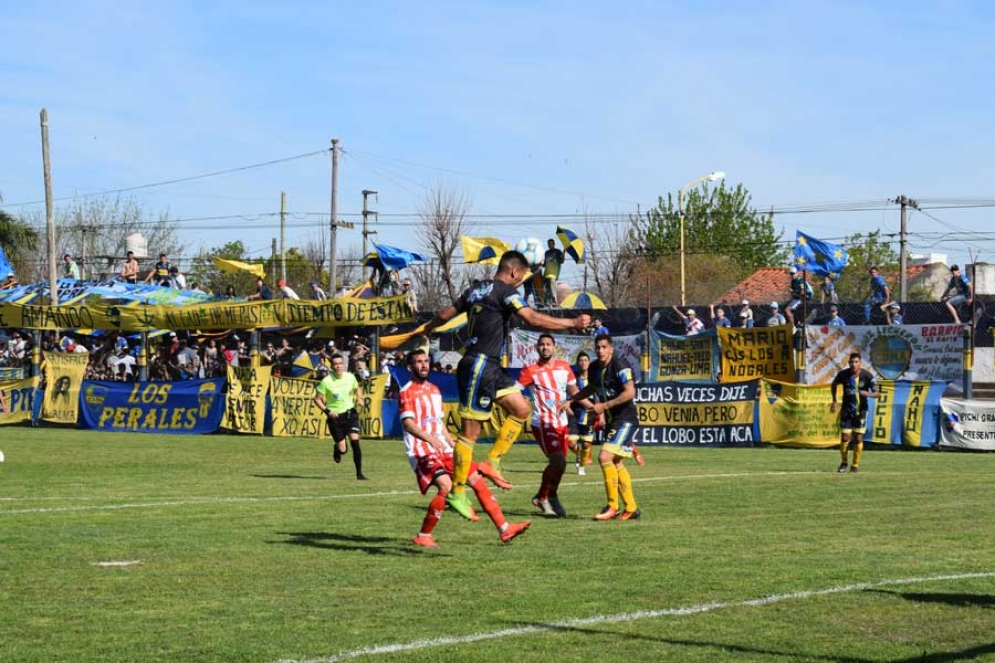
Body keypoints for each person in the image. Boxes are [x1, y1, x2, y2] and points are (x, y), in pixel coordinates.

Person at [421, 250, 591, 520]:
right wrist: (571, 321)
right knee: (470, 435)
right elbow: (532, 318)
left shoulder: (475, 290)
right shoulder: (504, 291)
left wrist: (427, 329)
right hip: (478, 365)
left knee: (522, 409)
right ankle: (458, 491)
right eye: (521, 275)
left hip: (491, 367)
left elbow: (444, 314)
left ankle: (493, 461)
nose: (520, 280)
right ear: (514, 271)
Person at [400, 349, 530, 547]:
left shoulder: (434, 390)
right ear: (410, 367)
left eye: (426, 361)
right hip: (421, 451)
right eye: (418, 362)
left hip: (443, 448)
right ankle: (423, 535)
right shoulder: (406, 391)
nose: (424, 365)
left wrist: (450, 442)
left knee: (477, 479)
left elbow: (438, 422)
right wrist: (429, 440)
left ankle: (505, 529)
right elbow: (408, 424)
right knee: (446, 486)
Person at [560, 333, 641, 520]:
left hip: (626, 418)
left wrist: (603, 406)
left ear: (611, 349)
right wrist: (572, 400)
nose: (600, 350)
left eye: (604, 347)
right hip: (614, 421)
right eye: (598, 347)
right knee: (615, 461)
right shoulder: (595, 367)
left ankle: (612, 506)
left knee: (604, 456)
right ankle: (631, 508)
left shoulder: (620, 365)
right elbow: (590, 389)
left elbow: (630, 393)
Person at [517, 334, 578, 517]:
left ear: (554, 347)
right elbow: (515, 390)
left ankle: (546, 495)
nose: (545, 347)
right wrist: (523, 400)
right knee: (558, 460)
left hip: (562, 422)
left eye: (548, 344)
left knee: (560, 465)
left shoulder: (564, 367)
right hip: (543, 423)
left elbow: (574, 391)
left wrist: (574, 402)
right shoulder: (530, 370)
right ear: (537, 348)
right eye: (542, 345)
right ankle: (547, 496)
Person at [312, 355, 367, 480]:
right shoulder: (326, 381)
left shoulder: (350, 377)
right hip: (335, 418)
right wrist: (327, 411)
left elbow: (357, 388)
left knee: (355, 443)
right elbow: (317, 399)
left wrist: (360, 398)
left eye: (340, 363)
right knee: (343, 449)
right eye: (335, 364)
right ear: (332, 366)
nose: (338, 366)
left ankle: (359, 474)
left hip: (350, 414)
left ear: (344, 365)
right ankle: (337, 449)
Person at [830, 352, 880, 474]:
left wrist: (868, 394)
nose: (853, 364)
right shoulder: (843, 375)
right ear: (849, 363)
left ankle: (855, 465)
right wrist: (834, 400)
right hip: (847, 410)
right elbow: (834, 384)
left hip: (861, 411)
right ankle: (844, 462)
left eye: (856, 362)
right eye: (851, 362)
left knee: (858, 438)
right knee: (845, 437)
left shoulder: (867, 376)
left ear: (860, 363)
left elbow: (877, 393)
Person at [567, 351, 594, 475]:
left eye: (585, 360)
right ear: (577, 363)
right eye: (581, 360)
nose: (583, 362)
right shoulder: (574, 380)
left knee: (586, 445)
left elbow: (599, 397)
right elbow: (569, 395)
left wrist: (602, 414)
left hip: (589, 415)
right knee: (571, 444)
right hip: (575, 414)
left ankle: (581, 466)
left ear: (589, 363)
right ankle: (579, 456)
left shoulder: (594, 379)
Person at [542, 239, 564, 307]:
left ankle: (555, 301)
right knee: (543, 288)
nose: (550, 245)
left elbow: (562, 261)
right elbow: (545, 263)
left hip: (553, 274)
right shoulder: (547, 253)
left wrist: (563, 254)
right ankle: (546, 302)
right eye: (548, 244)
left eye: (551, 243)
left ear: (554, 244)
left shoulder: (558, 251)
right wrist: (541, 265)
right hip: (546, 273)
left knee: (552, 287)